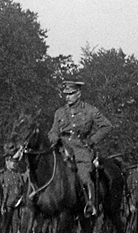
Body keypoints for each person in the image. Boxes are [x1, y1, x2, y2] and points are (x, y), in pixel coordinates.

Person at [47, 80, 113, 216]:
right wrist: (54, 138)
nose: (67, 97)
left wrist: (92, 140)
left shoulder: (90, 110)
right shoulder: (59, 112)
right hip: (61, 148)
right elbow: (53, 131)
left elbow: (107, 126)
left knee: (83, 173)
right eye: (66, 94)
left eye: (71, 94)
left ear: (79, 93)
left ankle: (90, 203)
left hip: (80, 149)